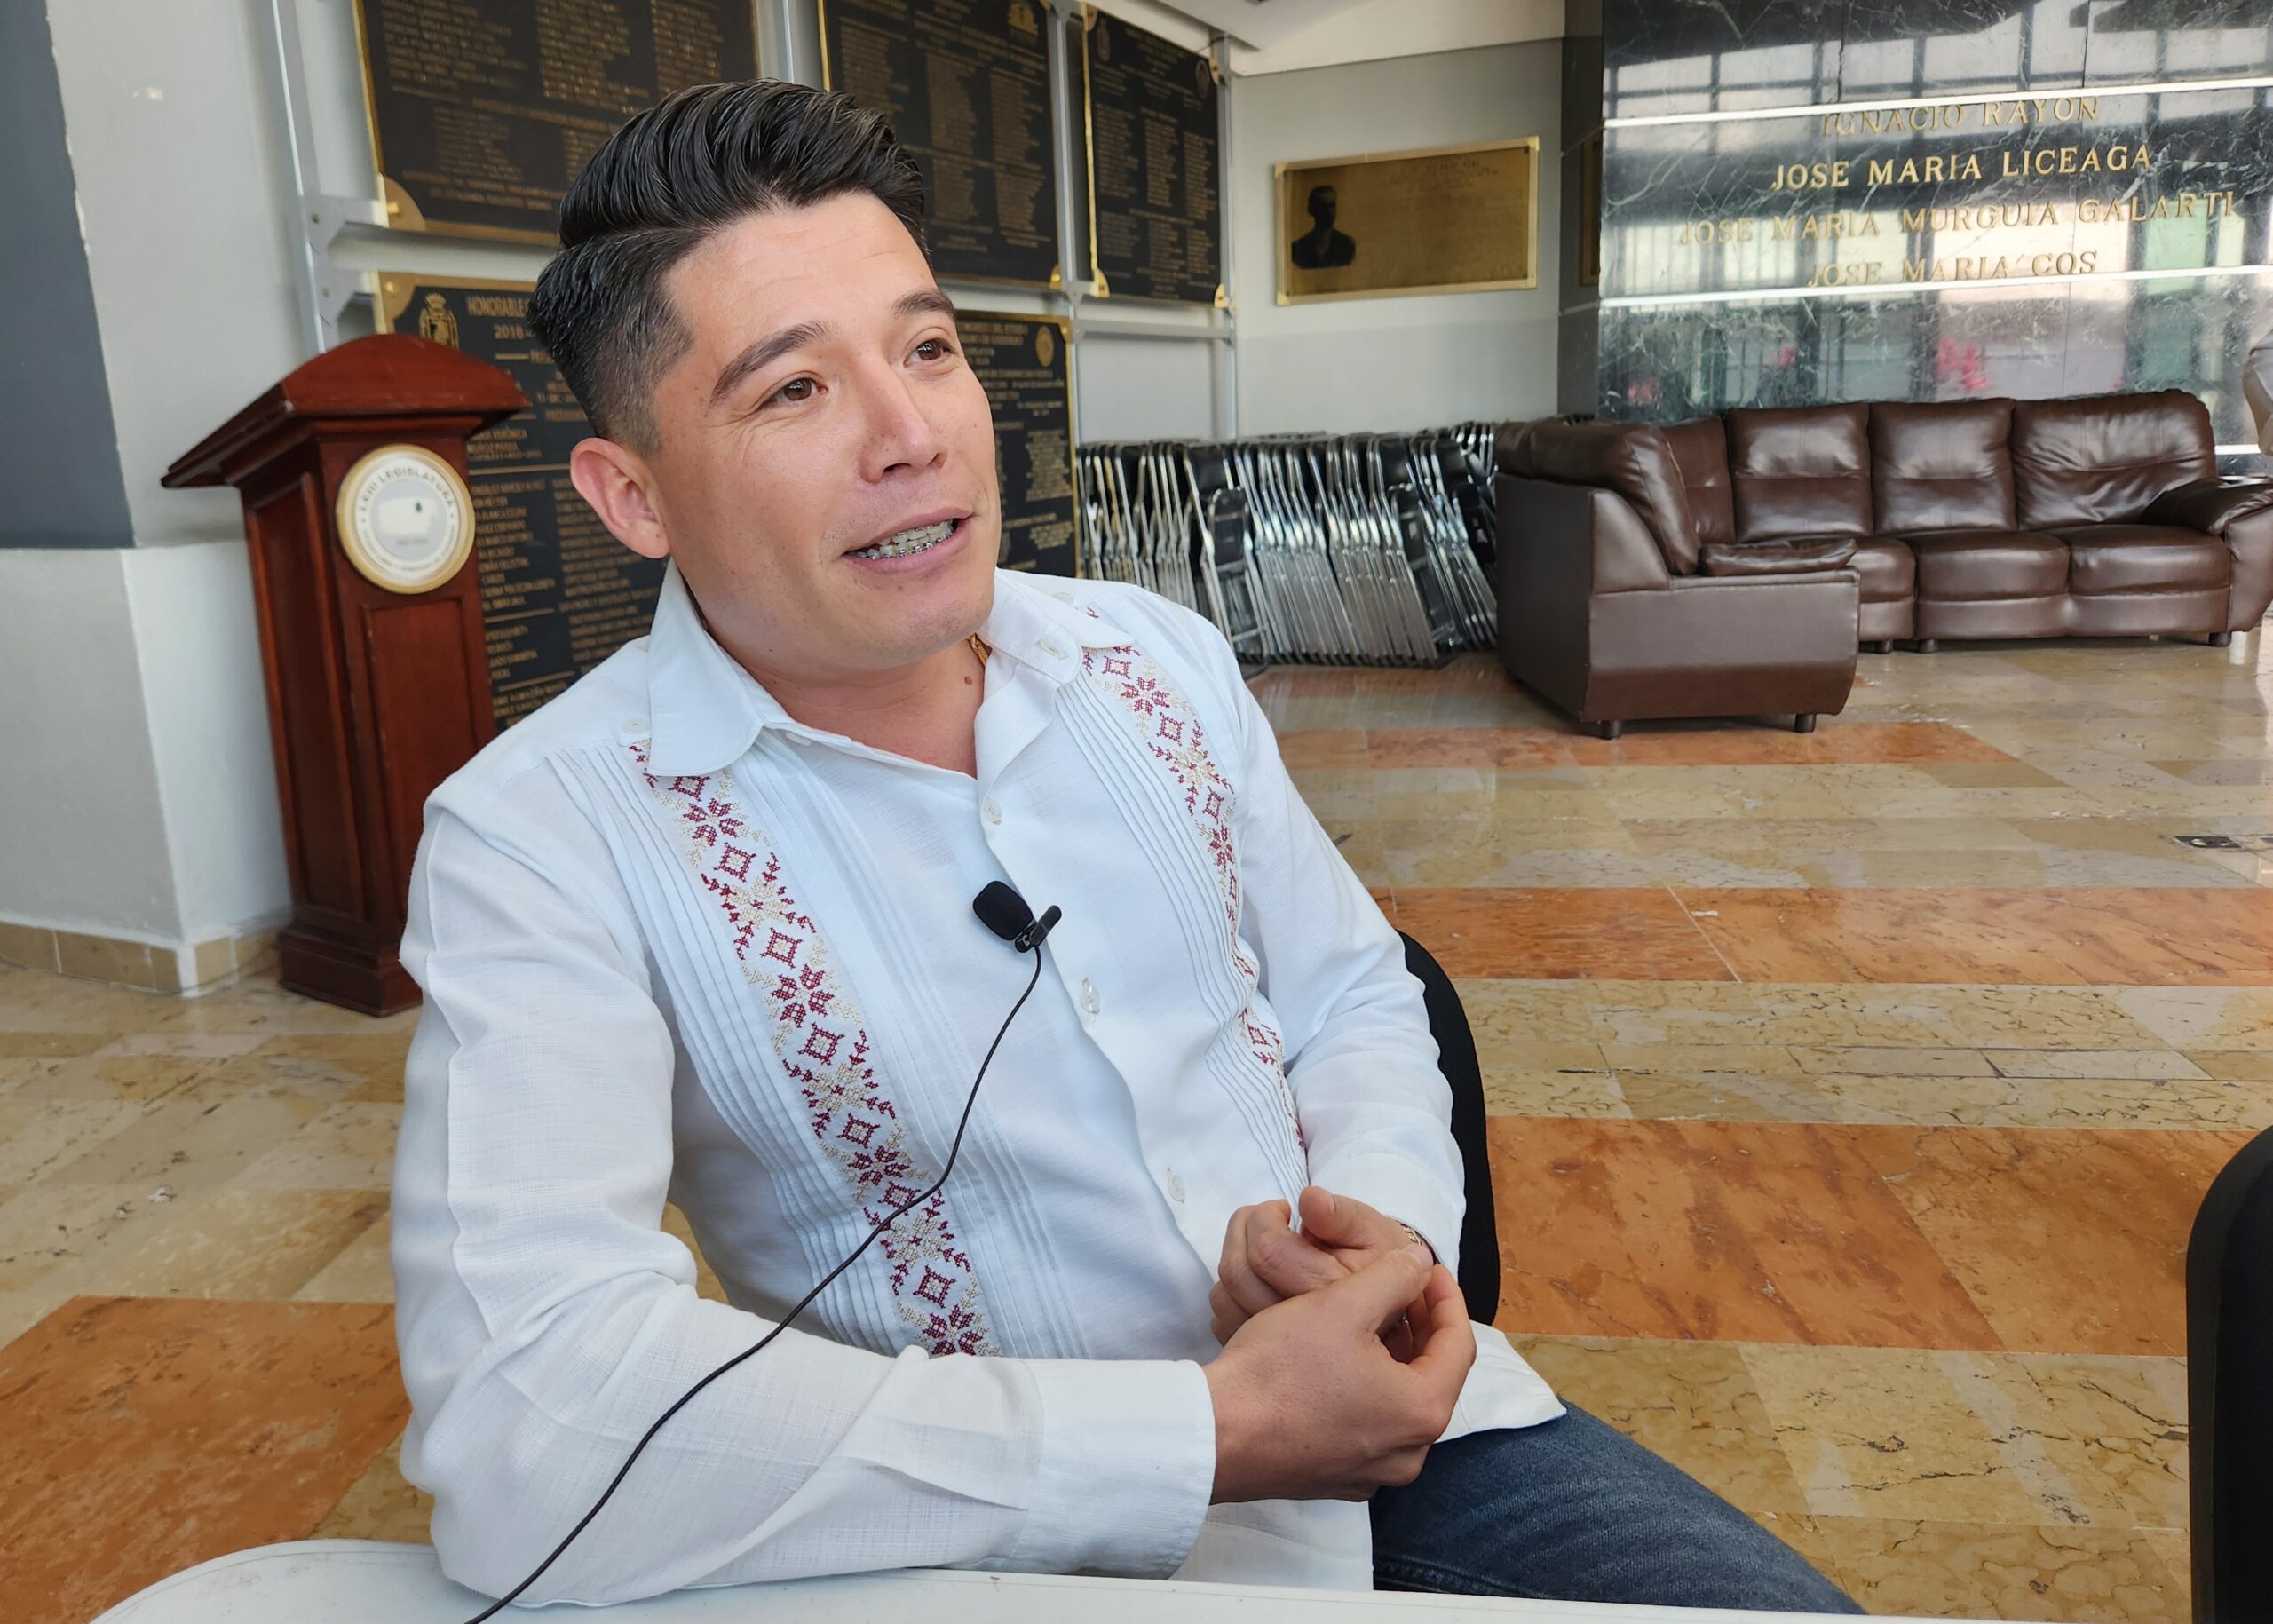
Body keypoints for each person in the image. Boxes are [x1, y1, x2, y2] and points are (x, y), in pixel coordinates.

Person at [390, 81, 1856, 1613]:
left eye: (928, 349)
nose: (911, 436)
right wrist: (1210, 1430)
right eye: (795, 390)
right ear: (633, 495)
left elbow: (1359, 989)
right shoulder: (545, 836)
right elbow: (524, 1429)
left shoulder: (1149, 658)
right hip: (993, 1545)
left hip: (1420, 1437)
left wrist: (1380, 1233)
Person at [1289, 183, 1358, 270]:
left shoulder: (1347, 245)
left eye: (1332, 206)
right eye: (1323, 207)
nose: (1329, 212)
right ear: (1312, 210)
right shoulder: (1298, 248)